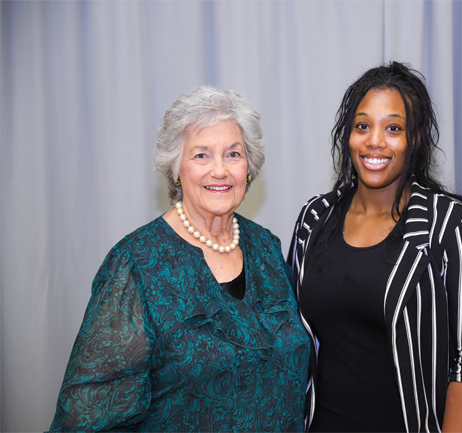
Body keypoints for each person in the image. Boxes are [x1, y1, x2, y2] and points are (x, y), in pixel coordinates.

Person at [48, 86, 310, 432]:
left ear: (249, 166)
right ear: (176, 168)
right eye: (201, 155)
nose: (220, 170)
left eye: (233, 154)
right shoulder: (136, 264)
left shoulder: (266, 247)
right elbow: (89, 413)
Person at [288, 62, 462, 433]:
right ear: (348, 135)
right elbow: (292, 337)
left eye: (393, 128)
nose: (375, 141)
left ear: (415, 138)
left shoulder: (450, 226)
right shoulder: (315, 219)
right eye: (362, 126)